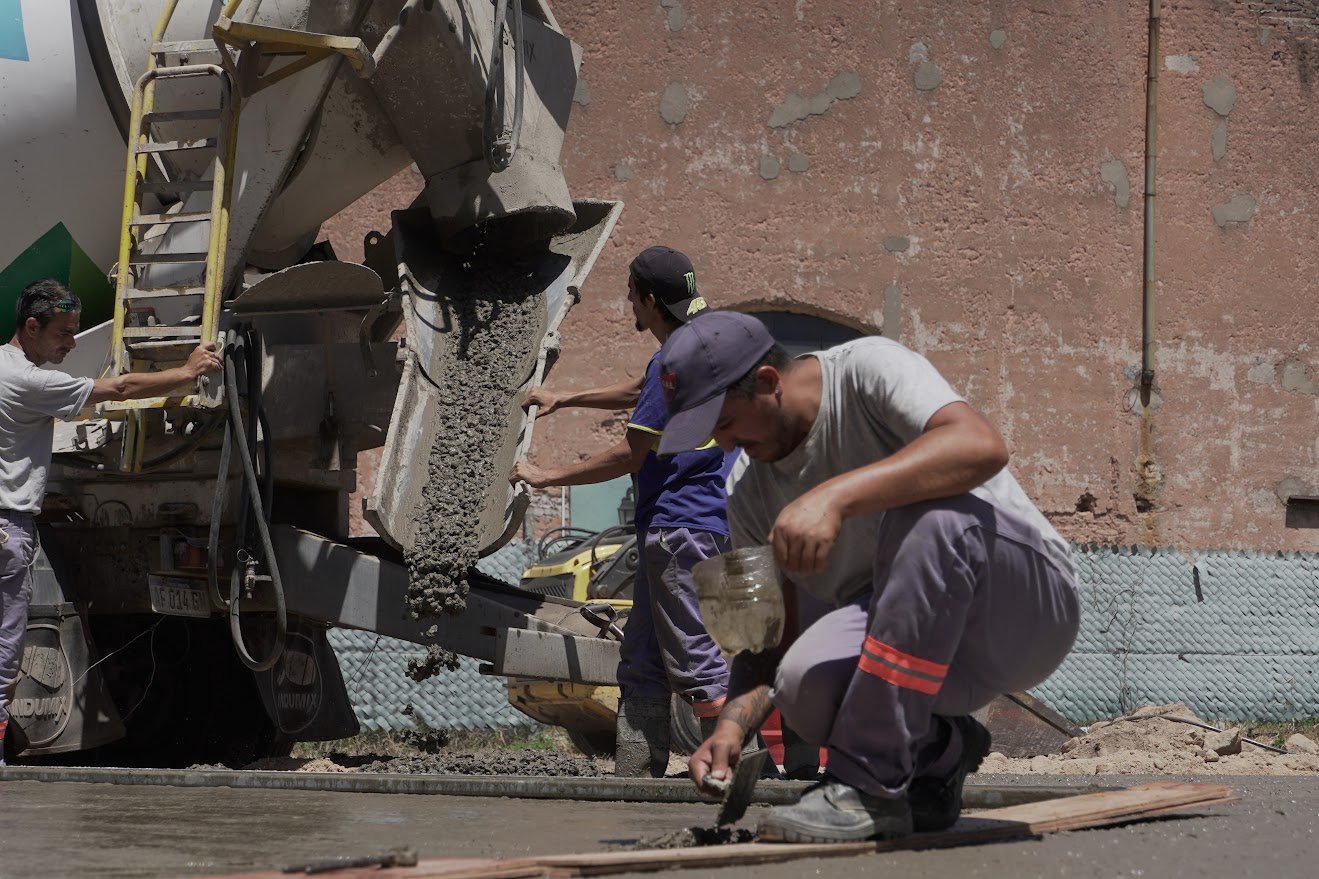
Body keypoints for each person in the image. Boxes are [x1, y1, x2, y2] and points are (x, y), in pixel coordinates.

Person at [659, 310, 1081, 842]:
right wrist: (730, 727)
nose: (724, 446)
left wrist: (833, 496)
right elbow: (764, 643)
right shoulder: (746, 495)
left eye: (725, 424)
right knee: (802, 683)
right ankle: (940, 754)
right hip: (925, 656)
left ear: (767, 382)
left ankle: (869, 785)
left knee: (928, 518)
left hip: (1022, 611)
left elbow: (982, 447)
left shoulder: (867, 368)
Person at [510, 246, 737, 777]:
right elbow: (639, 390)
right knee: (642, 657)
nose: (629, 304)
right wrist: (564, 398)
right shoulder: (704, 346)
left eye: (632, 295)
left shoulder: (673, 358)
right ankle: (638, 770)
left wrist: (545, 476)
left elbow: (629, 455)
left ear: (651, 300)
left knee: (695, 656)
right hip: (686, 524)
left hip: (678, 526)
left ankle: (735, 769)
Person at [1, 279, 222, 765]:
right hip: (8, 528)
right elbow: (118, 389)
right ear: (31, 327)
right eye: (62, 333)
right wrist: (188, 372)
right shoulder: (29, 382)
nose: (71, 343)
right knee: (4, 655)